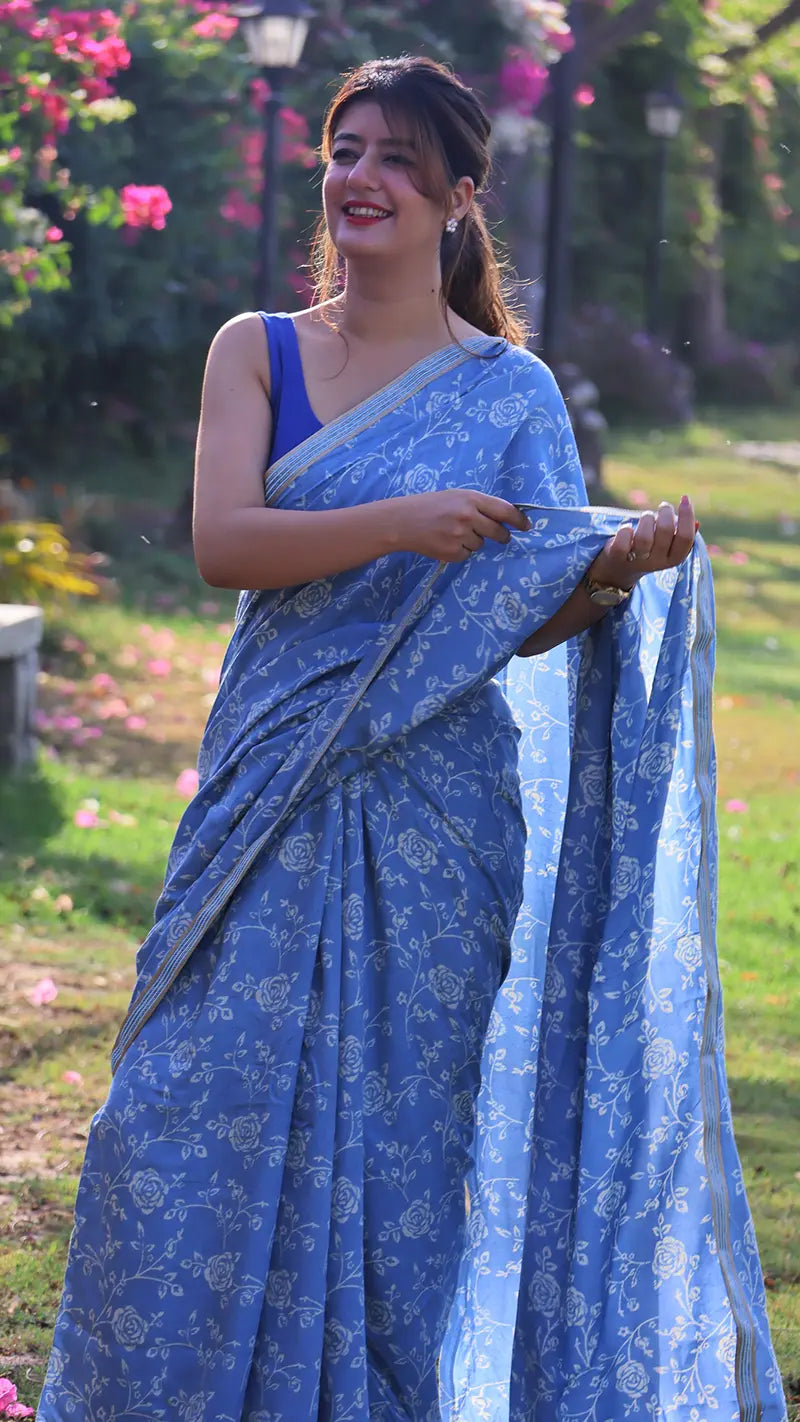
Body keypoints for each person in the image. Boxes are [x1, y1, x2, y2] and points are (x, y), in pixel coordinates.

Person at [39, 56, 785, 1422]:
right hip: (272, 791)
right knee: (176, 1105)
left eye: (393, 157)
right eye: (344, 149)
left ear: (456, 196)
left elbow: (533, 603)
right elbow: (224, 545)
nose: (359, 178)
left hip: (441, 825)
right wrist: (405, 519)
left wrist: (621, 564)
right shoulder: (256, 347)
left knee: (393, 1164)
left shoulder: (511, 397)